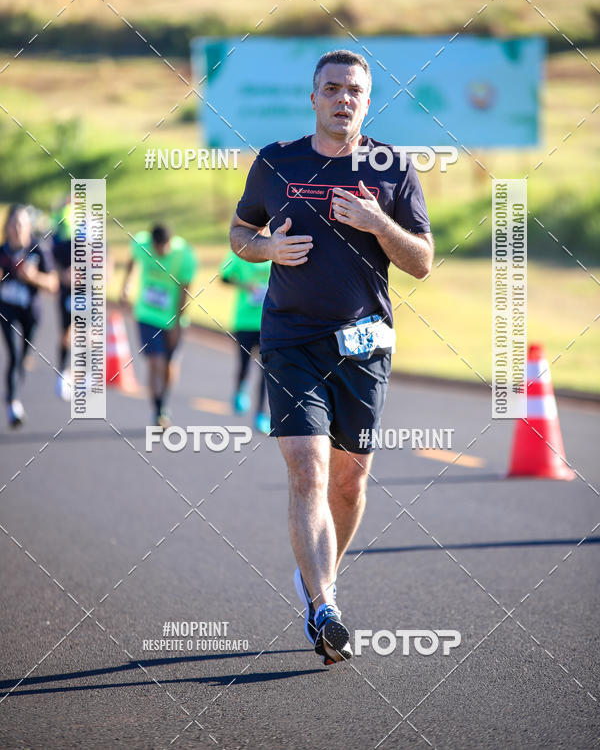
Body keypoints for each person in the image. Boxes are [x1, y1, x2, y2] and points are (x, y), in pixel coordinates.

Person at [229, 49, 433, 664]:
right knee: (308, 467)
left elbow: (421, 261)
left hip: (363, 343)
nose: (344, 98)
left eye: (355, 91)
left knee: (349, 479)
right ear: (313, 97)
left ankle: (323, 579)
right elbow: (239, 235)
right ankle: (324, 608)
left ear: (368, 102)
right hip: (291, 338)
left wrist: (377, 222)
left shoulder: (393, 168)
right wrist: (267, 248)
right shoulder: (275, 161)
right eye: (333, 88)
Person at [120, 224, 197, 428]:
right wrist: (126, 286)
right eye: (158, 248)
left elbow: (185, 290)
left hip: (173, 316)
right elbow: (132, 260)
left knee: (169, 366)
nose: (161, 251)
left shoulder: (184, 255)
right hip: (147, 314)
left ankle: (164, 401)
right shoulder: (141, 244)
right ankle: (158, 410)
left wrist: (177, 323)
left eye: (165, 247)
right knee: (156, 362)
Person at [0, 204, 58, 427]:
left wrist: (33, 277)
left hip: (31, 312)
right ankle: (13, 403)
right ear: (7, 227)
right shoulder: (2, 252)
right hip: (6, 310)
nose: (17, 228)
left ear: (28, 226)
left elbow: (53, 284)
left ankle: (14, 391)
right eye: (13, 224)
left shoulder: (38, 250)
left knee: (22, 358)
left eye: (22, 224)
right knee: (14, 354)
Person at [219, 250, 271, 434]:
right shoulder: (240, 252)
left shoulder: (274, 250)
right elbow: (223, 277)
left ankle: (261, 414)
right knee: (243, 364)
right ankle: (240, 389)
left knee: (267, 371)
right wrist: (245, 285)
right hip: (244, 321)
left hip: (268, 322)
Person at [50, 199, 73, 401]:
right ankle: (63, 372)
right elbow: (52, 259)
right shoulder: (63, 216)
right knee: (66, 332)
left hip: (88, 294)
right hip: (67, 292)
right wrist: (63, 275)